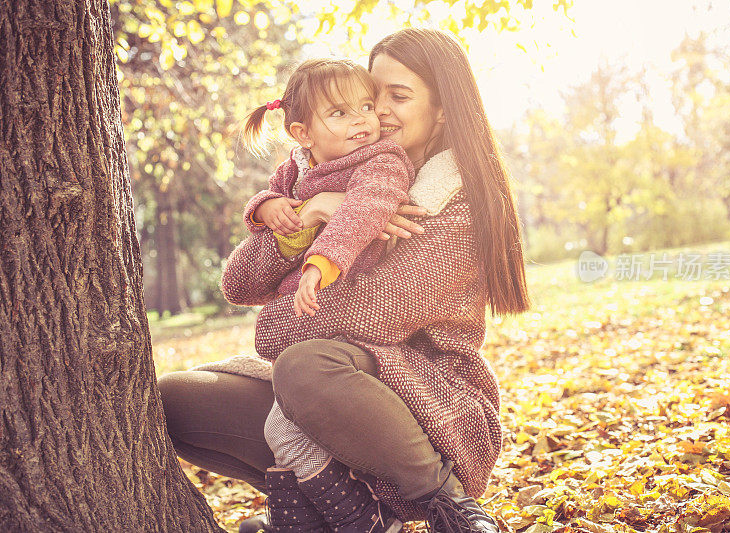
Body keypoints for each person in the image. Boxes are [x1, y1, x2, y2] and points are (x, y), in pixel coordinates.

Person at [157, 28, 530, 533]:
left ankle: (450, 507)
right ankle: (328, 508)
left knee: (305, 365)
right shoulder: (329, 172)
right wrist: (307, 218)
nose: (376, 113)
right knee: (171, 400)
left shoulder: (453, 203)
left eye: (398, 97)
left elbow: (367, 315)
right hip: (327, 383)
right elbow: (239, 284)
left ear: (443, 110)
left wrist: (281, 319)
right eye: (373, 96)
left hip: (429, 406)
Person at [237, 58, 415, 318]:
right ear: (304, 134)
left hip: (340, 290)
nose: (360, 120)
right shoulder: (293, 169)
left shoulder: (381, 162)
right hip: (293, 298)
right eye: (340, 113)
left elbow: (360, 213)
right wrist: (265, 207)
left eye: (366, 106)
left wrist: (319, 265)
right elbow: (271, 201)